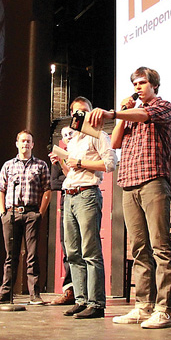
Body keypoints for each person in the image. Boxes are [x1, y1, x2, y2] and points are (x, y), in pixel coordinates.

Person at [88, 67, 171, 329]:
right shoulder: (129, 114)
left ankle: (163, 309)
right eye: (135, 83)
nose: (138, 87)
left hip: (153, 181)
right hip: (128, 183)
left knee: (160, 247)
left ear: (154, 84)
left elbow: (144, 114)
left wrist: (115, 112)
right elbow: (114, 142)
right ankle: (142, 306)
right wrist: (120, 117)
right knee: (139, 248)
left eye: (142, 82)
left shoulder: (163, 106)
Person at [50, 97, 117, 319]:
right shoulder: (73, 141)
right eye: (75, 112)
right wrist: (61, 161)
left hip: (87, 195)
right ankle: (81, 299)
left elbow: (110, 163)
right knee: (73, 252)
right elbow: (72, 173)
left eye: (83, 111)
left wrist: (80, 163)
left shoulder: (99, 135)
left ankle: (96, 303)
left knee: (90, 250)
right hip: (69, 195)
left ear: (89, 113)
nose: (78, 115)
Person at [0, 130, 51, 305]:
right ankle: (6, 292)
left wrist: (40, 212)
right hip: (11, 213)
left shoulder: (40, 165)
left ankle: (34, 294)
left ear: (33, 145)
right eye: (22, 141)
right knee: (11, 255)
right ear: (17, 143)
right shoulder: (8, 165)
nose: (25, 144)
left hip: (32, 212)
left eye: (29, 141)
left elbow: (47, 190)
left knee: (32, 255)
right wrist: (3, 212)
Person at [49, 126, 76, 306]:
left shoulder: (81, 153)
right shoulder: (60, 157)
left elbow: (74, 177)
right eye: (64, 135)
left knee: (80, 247)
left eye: (70, 133)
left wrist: (65, 175)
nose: (67, 137)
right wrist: (60, 165)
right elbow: (53, 183)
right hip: (65, 202)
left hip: (81, 197)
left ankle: (82, 291)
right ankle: (70, 290)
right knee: (66, 246)